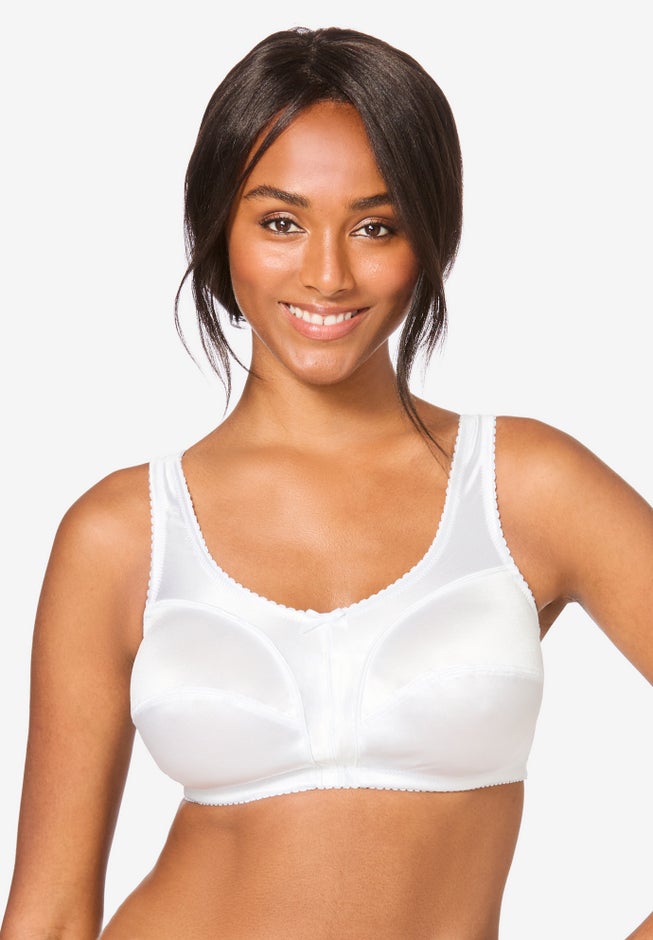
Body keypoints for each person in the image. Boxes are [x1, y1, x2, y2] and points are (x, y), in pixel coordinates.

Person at [1, 25, 651, 940]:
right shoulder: (121, 533)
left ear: (428, 238)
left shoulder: (526, 488)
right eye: (280, 222)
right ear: (218, 229)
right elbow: (49, 915)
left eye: (375, 227)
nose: (327, 273)